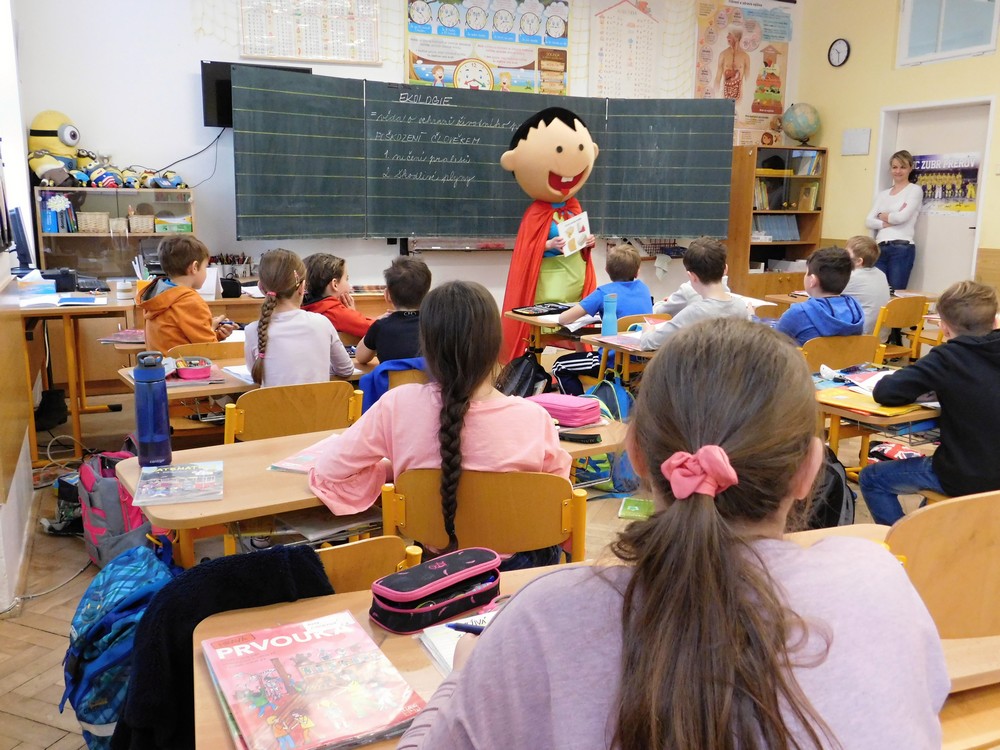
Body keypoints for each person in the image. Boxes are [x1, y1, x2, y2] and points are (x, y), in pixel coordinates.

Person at [398, 318, 949, 749]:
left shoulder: (543, 618)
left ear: (637, 456)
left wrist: (459, 681)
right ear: (810, 470)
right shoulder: (879, 578)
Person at [309, 280, 571, 568]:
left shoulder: (396, 405)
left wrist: (392, 470)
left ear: (427, 345)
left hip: (433, 569)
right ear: (495, 343)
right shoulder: (534, 418)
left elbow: (329, 471)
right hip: (516, 571)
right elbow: (556, 502)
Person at [859, 280, 1000, 525]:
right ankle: (931, 530)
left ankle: (904, 542)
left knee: (872, 478)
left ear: (944, 327)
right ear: (995, 320)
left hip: (968, 475)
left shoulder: (949, 358)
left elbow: (886, 392)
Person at [499, 107, 599, 362]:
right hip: (548, 278)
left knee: (577, 326)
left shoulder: (574, 205)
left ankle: (581, 365)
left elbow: (579, 238)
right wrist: (547, 244)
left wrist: (588, 242)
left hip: (575, 275)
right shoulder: (535, 213)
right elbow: (525, 251)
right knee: (543, 327)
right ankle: (532, 367)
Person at [550, 244, 652, 395]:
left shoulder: (604, 292)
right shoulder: (644, 289)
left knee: (560, 366)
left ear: (607, 270)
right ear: (637, 271)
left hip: (610, 362)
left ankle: (581, 406)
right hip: (641, 361)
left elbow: (564, 319)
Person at [244, 249, 353, 386]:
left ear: (261, 287)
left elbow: (255, 374)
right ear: (302, 287)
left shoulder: (252, 330)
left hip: (274, 401)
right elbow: (346, 370)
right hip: (319, 400)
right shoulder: (322, 323)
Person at [638, 237, 750, 351]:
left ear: (691, 276)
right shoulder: (741, 307)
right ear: (725, 269)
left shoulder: (694, 313)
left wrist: (647, 330)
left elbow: (648, 343)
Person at [136, 235, 236, 353]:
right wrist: (211, 329)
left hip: (162, 363)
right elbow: (209, 349)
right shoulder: (189, 301)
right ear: (194, 267)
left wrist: (216, 333)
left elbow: (181, 339)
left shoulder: (158, 294)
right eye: (205, 267)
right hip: (184, 364)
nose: (206, 272)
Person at [775, 246, 864, 346]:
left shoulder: (798, 313)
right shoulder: (856, 309)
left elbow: (773, 345)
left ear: (812, 280)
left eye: (806, 273)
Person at [355, 256, 431, 365]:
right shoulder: (435, 325)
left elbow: (360, 357)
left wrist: (378, 322)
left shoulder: (380, 326)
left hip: (391, 377)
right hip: (428, 376)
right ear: (427, 296)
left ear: (387, 295)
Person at [864, 149, 923, 291]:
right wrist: (888, 220)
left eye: (903, 167)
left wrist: (881, 215)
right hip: (879, 247)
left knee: (896, 292)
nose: (898, 171)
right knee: (878, 290)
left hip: (902, 247)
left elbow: (902, 217)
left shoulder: (914, 190)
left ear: (910, 168)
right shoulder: (883, 194)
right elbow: (868, 221)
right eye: (895, 167)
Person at [301, 253, 373, 340]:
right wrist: (352, 314)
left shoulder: (299, 309)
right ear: (335, 284)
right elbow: (377, 330)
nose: (349, 286)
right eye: (346, 279)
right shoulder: (336, 313)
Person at [843, 235, 891, 335]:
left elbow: (822, 295)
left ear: (859, 261)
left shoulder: (851, 276)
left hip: (860, 335)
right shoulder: (881, 274)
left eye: (846, 253)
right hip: (879, 336)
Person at [714, 26, 750, 102]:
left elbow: (748, 81)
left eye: (729, 34)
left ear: (736, 37)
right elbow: (717, 79)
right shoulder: (723, 55)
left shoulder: (745, 57)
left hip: (740, 100)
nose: (727, 37)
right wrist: (714, 96)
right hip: (724, 98)